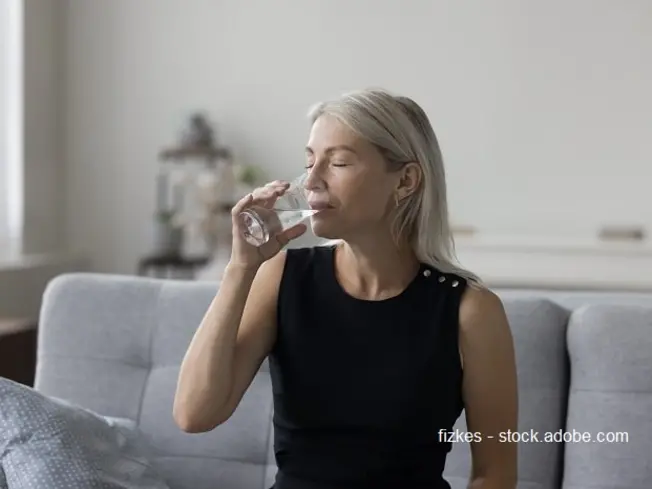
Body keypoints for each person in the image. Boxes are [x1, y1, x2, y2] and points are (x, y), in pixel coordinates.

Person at [173, 88, 518, 489]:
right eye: (309, 161)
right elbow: (194, 414)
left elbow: (495, 474)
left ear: (405, 180)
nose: (312, 180)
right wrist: (240, 269)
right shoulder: (282, 277)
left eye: (337, 162)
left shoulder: (470, 310)